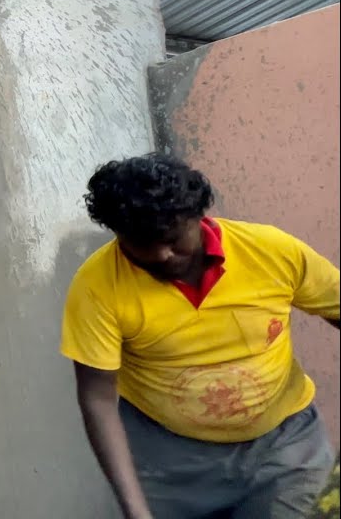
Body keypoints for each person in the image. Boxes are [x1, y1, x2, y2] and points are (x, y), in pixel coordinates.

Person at [62, 154, 339, 519]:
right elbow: (97, 397)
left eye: (172, 238)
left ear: (198, 216)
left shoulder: (272, 252)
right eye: (142, 244)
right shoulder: (97, 286)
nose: (162, 254)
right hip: (168, 458)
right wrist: (135, 509)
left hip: (284, 446)